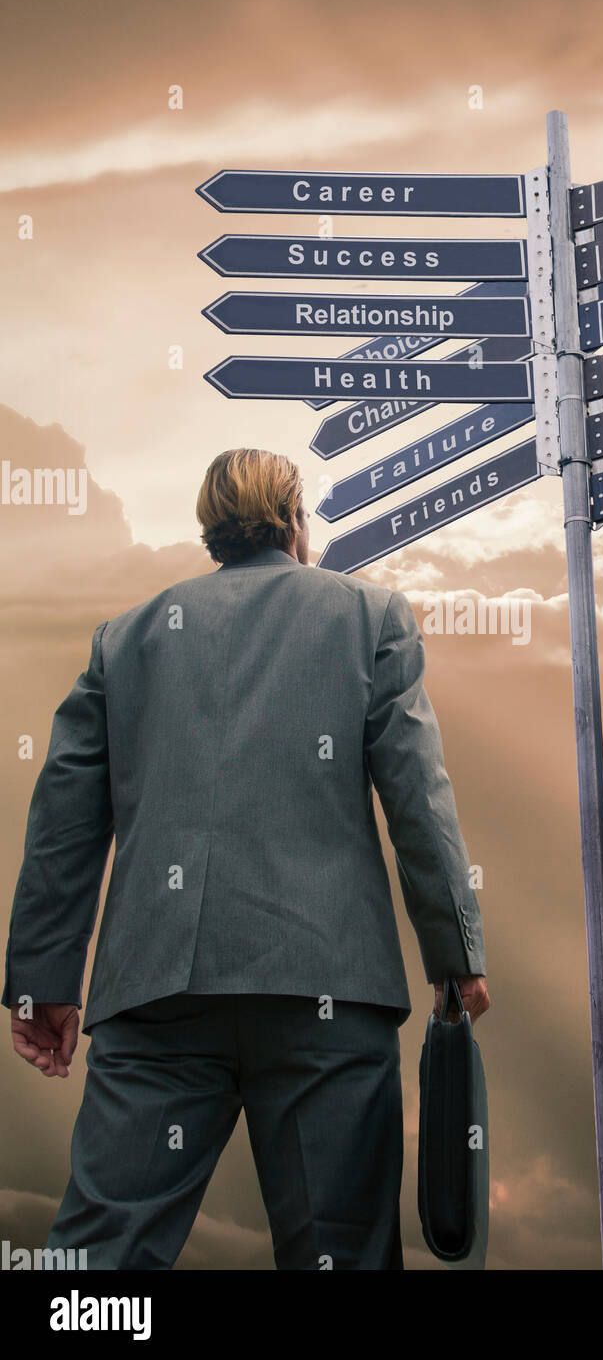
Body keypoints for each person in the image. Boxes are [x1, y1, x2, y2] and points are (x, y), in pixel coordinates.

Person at [2, 447, 489, 1270]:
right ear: (296, 520)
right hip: (326, 988)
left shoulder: (124, 640)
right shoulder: (371, 617)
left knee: (98, 1259)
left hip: (157, 991)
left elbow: (63, 820)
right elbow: (418, 799)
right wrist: (455, 955)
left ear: (208, 524)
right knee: (339, 1253)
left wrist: (43, 981)